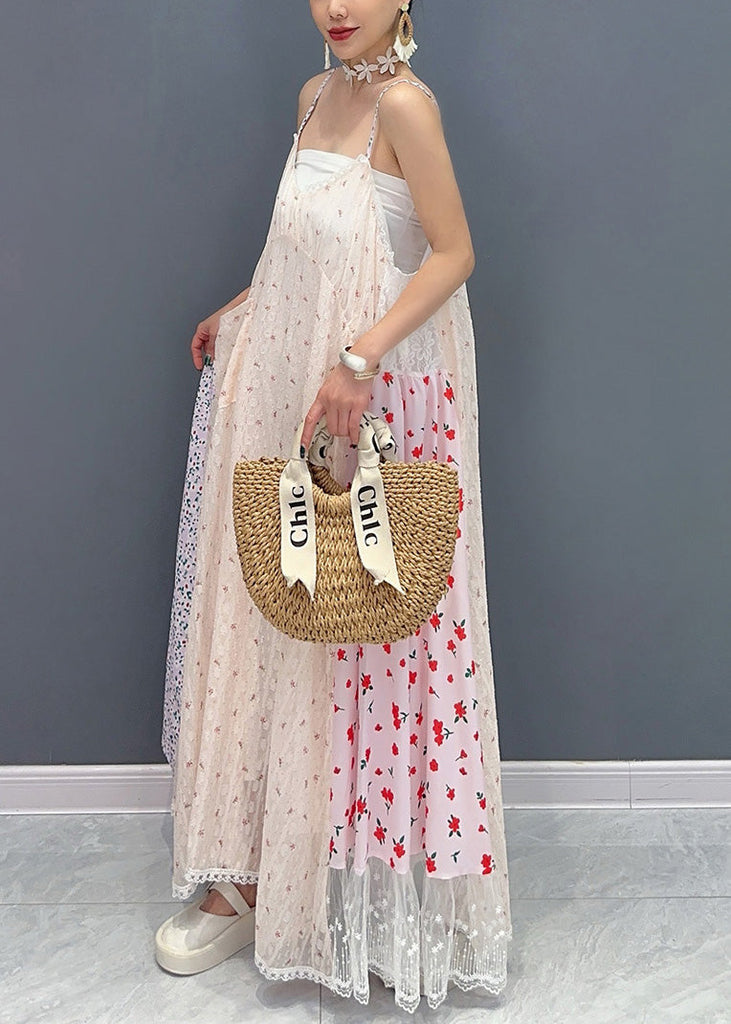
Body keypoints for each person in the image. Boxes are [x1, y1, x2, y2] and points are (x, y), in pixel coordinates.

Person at [155, 0, 512, 1013]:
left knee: (375, 641)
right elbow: (305, 252)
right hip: (294, 386)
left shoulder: (406, 105)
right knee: (283, 620)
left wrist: (358, 358)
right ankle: (256, 874)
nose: (337, 7)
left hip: (372, 396)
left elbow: (451, 252)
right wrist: (244, 306)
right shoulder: (314, 96)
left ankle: (376, 904)